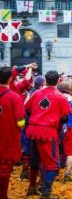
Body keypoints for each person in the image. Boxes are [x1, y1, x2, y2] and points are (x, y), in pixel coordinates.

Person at [25, 71, 72, 198]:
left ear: (45, 81)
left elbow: (27, 108)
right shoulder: (60, 96)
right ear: (58, 81)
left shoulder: (36, 93)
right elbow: (65, 117)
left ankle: (32, 187)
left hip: (32, 131)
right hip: (48, 133)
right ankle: (45, 193)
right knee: (53, 164)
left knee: (34, 161)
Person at [0, 66, 25, 199]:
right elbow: (20, 121)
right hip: (7, 139)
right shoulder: (14, 97)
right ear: (10, 78)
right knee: (4, 171)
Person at [58, 79, 72, 182]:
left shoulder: (56, 97)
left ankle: (54, 172)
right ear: (70, 89)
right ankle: (67, 173)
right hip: (70, 128)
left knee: (56, 150)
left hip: (56, 127)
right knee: (70, 152)